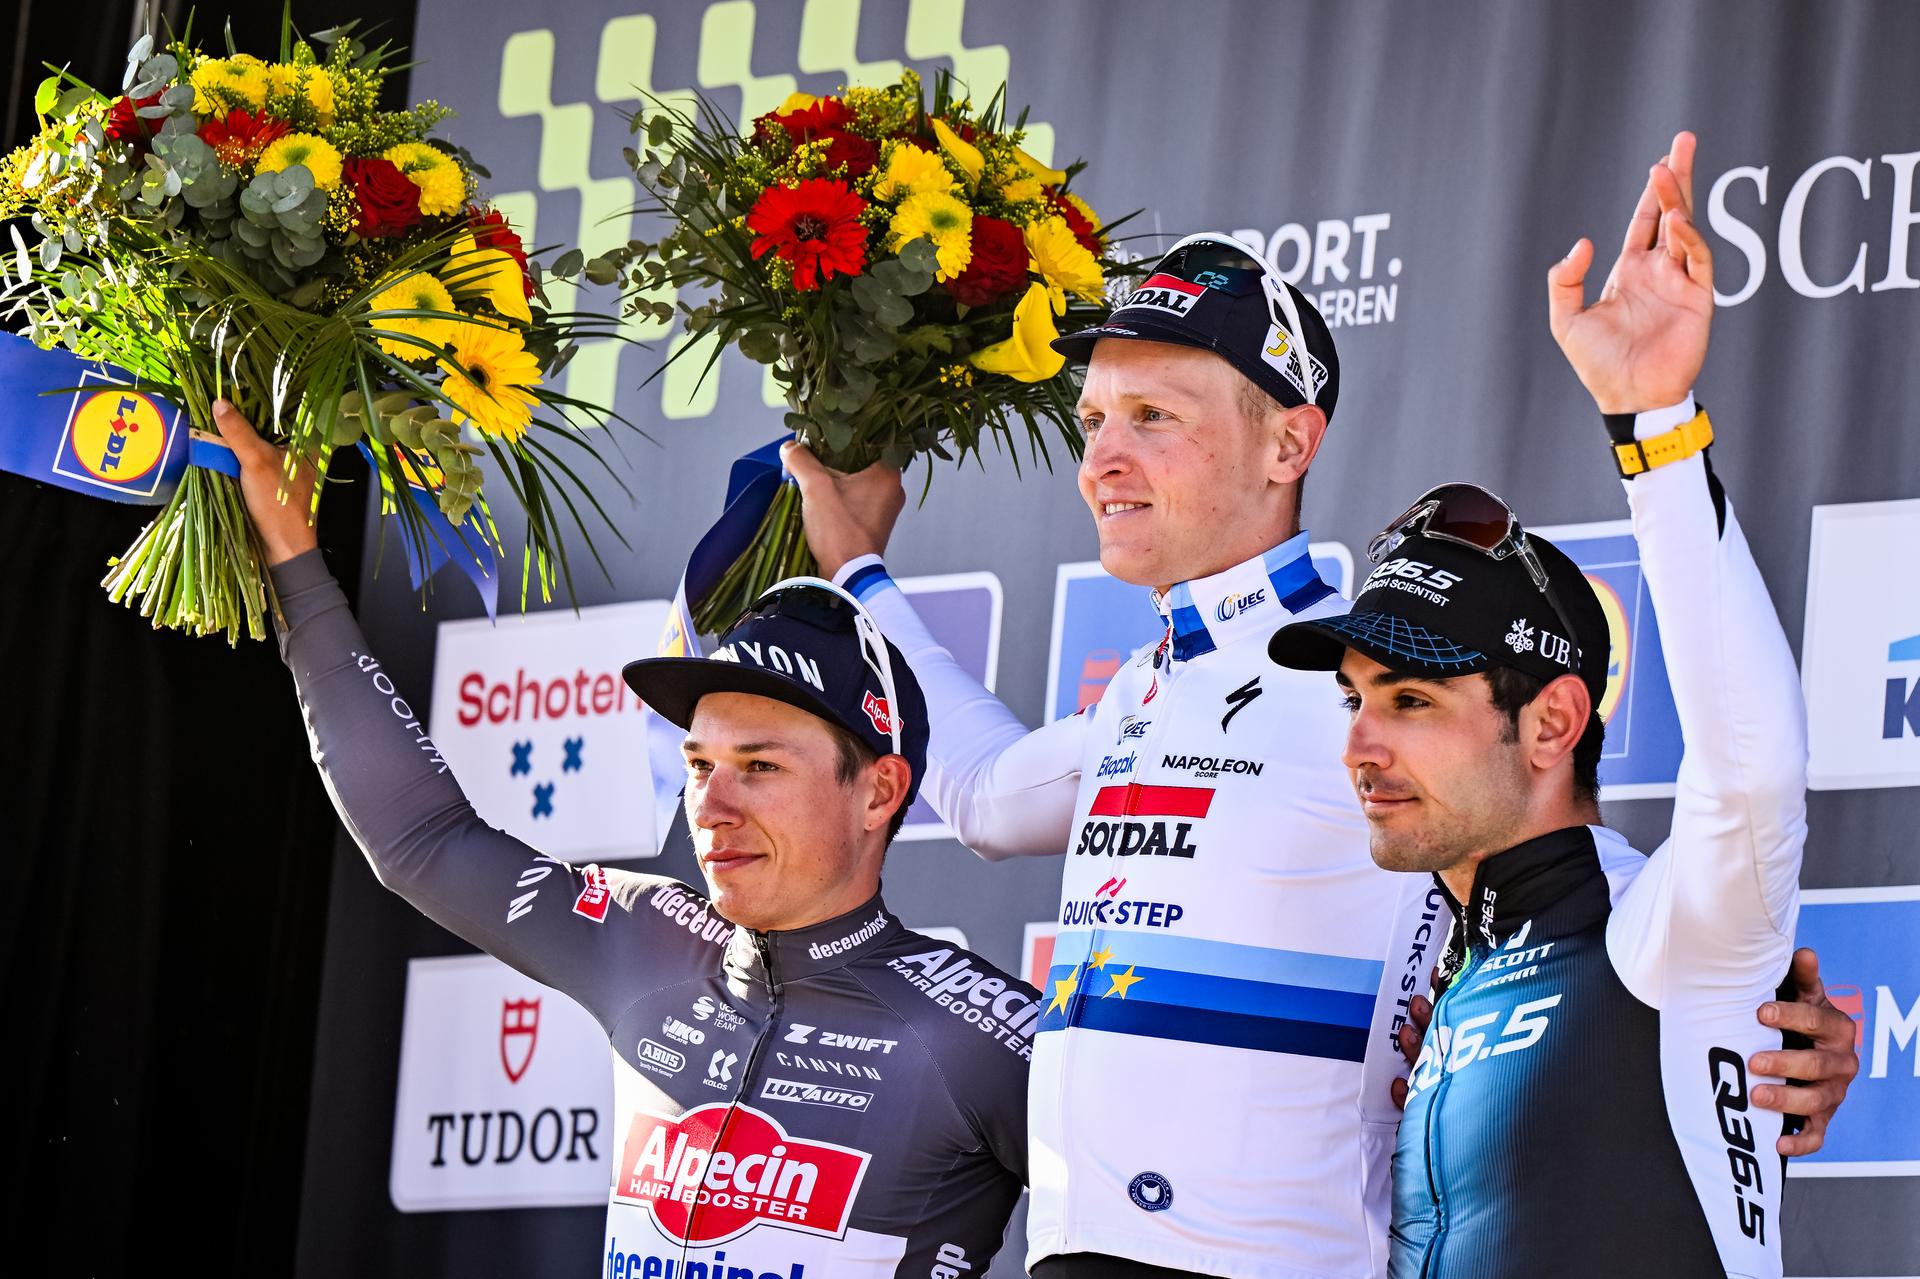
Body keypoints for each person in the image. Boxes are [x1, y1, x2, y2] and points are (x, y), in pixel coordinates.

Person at [784, 130, 1857, 1278]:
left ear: (1290, 441)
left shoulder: (1371, 672)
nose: (1102, 459)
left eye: (1155, 417)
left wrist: (1752, 1009)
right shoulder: (1154, 682)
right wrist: (858, 573)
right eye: (1094, 422)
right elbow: (991, 800)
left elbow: (1595, 873)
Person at [218, 403, 1036, 1279]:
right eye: (698, 764)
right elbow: (419, 834)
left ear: (879, 790)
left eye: (758, 767)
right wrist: (292, 551)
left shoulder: (985, 1038)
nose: (712, 805)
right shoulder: (644, 938)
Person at [1267, 132, 1804, 1277]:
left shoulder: (1669, 937)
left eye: (1411, 698)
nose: (1362, 741)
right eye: (1358, 697)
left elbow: (1751, 771)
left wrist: (1654, 423)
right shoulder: (1448, 963)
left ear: (1554, 721)